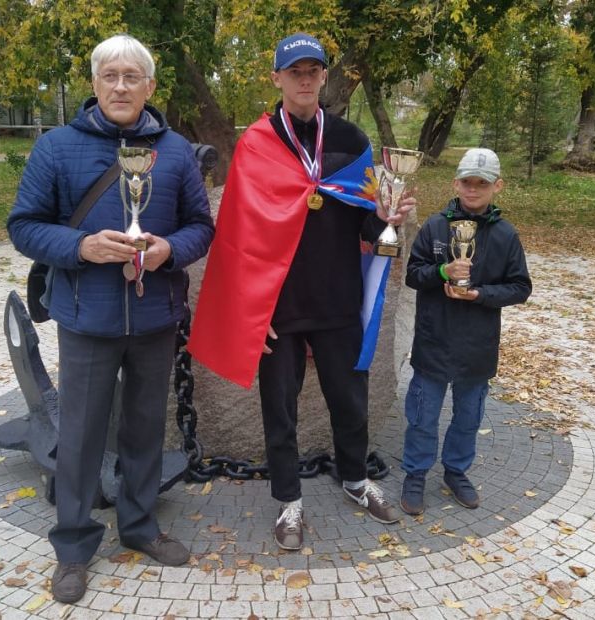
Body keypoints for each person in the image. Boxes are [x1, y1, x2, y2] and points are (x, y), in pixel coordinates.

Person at [7, 34, 214, 603]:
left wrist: (170, 250)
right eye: (110, 76)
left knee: (145, 428)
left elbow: (201, 226)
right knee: (79, 436)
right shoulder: (57, 147)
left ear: (150, 86)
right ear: (95, 84)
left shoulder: (175, 151)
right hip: (86, 318)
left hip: (154, 316)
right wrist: (81, 247)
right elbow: (24, 226)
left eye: (132, 77)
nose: (120, 86)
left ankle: (140, 526)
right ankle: (74, 547)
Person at [188, 32, 415, 550]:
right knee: (280, 408)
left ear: (324, 76)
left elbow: (366, 226)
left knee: (349, 400)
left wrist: (386, 219)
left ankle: (355, 479)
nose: (305, 79)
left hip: (338, 299)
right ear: (277, 78)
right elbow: (238, 237)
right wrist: (252, 312)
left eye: (313, 70)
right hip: (279, 307)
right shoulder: (256, 143)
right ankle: (288, 500)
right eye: (295, 71)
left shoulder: (351, 140)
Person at [399, 147, 532, 516]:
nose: (473, 189)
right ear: (455, 183)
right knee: (422, 416)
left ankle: (456, 471)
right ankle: (416, 473)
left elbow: (520, 288)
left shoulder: (505, 235)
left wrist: (480, 294)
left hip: (477, 346)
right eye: (467, 182)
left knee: (468, 418)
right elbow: (413, 275)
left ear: (497, 186)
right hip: (434, 341)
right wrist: (443, 272)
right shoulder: (435, 226)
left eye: (482, 184)